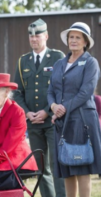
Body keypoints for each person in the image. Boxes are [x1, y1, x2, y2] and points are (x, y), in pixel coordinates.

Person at [13, 18, 66, 197]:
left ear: (46, 36)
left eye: (38, 36)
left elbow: (61, 90)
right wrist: (27, 113)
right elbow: (18, 92)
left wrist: (47, 111)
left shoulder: (58, 57)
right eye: (31, 36)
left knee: (58, 164)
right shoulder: (23, 61)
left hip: (53, 120)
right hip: (33, 123)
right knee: (41, 167)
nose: (34, 39)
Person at [48, 22, 101, 197]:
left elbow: (86, 93)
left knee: (81, 165)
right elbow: (51, 91)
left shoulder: (90, 62)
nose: (74, 40)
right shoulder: (59, 63)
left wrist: (62, 109)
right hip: (62, 121)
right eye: (71, 37)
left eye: (78, 37)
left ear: (86, 42)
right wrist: (54, 106)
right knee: (67, 166)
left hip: (82, 119)